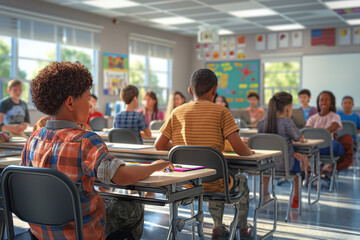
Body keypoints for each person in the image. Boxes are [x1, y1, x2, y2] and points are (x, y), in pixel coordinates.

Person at [23, 61, 173, 240]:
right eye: (87, 99)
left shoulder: (32, 139)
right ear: (70, 102)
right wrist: (154, 166)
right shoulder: (86, 141)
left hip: (40, 231)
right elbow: (121, 176)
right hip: (83, 231)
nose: (90, 105)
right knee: (134, 207)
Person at [154, 68, 254, 239]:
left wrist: (180, 147)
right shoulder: (222, 112)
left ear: (190, 90)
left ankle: (217, 227)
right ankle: (242, 228)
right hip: (216, 183)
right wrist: (249, 150)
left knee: (215, 177)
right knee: (236, 179)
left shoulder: (177, 112)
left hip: (186, 183)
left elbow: (159, 145)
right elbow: (240, 149)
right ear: (215, 90)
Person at [258, 92, 308, 208]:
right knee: (298, 169)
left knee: (268, 162)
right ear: (287, 108)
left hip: (266, 167)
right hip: (286, 167)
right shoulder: (287, 122)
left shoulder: (263, 123)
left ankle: (265, 195)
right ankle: (295, 198)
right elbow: (299, 138)